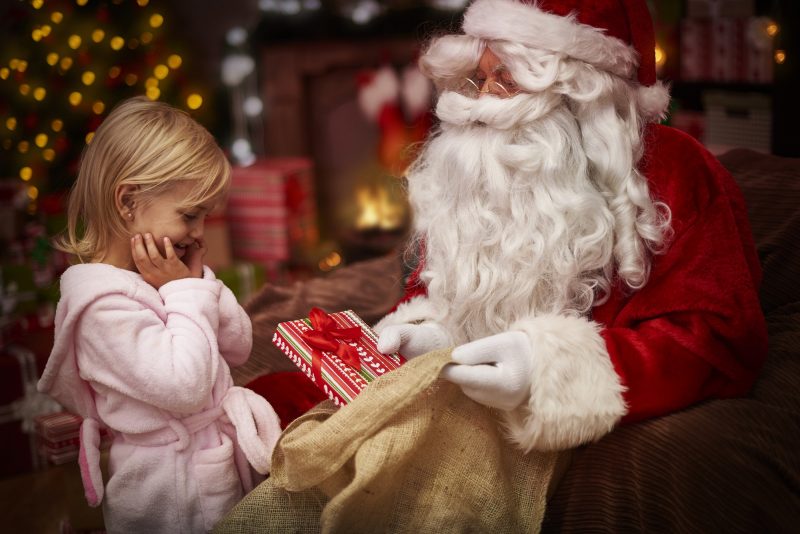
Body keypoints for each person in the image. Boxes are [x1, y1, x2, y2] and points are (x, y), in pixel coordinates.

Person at [376, 0, 768, 452]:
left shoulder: (674, 167)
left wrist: (545, 369)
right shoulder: (474, 166)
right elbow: (438, 283)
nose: (483, 102)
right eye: (478, 79)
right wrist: (432, 335)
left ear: (579, 88)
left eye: (508, 78)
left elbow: (717, 339)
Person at [37, 96, 282, 533]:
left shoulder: (167, 279)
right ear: (128, 202)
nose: (200, 232)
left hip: (208, 466)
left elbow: (237, 345)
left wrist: (197, 281)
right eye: (189, 215)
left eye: (204, 216)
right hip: (167, 492)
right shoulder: (101, 308)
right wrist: (182, 291)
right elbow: (184, 386)